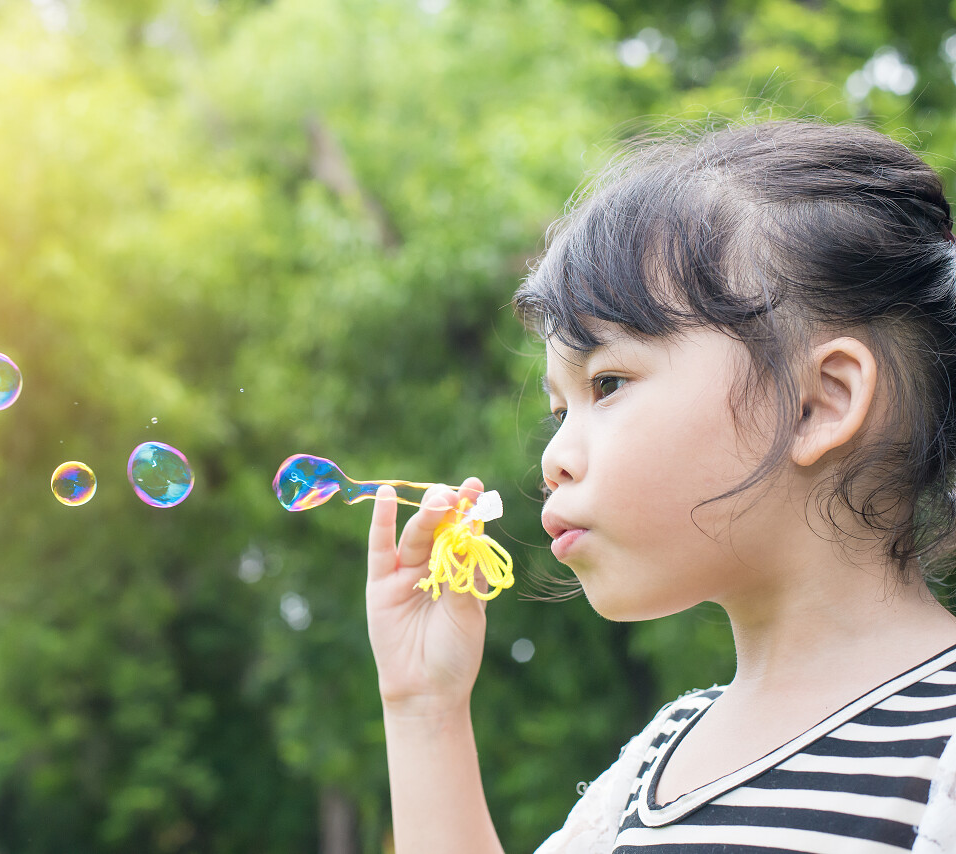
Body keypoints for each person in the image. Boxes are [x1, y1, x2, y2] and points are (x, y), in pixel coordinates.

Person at [365, 119, 956, 853]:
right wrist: (425, 709)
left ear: (818, 403)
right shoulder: (650, 768)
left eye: (606, 383)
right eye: (558, 410)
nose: (554, 458)